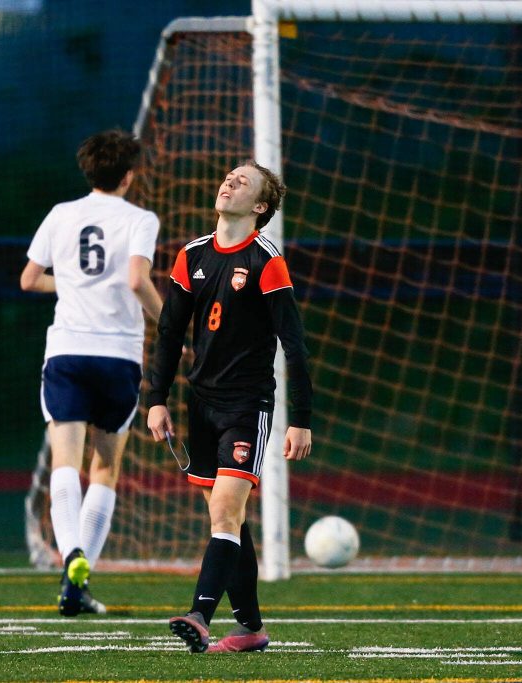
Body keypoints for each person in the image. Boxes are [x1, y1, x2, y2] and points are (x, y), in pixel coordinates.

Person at [146, 161, 312, 653]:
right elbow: (169, 333)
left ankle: (200, 615)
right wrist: (156, 400)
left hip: (247, 406)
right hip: (201, 404)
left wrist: (300, 420)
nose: (228, 182)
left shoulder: (266, 261)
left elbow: (295, 346)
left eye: (243, 182)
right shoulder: (191, 255)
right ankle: (251, 629)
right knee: (231, 522)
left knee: (224, 512)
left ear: (260, 207)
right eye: (228, 177)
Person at [21, 129, 163, 616]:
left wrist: (75, 282)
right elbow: (136, 279)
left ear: (88, 170)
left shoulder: (62, 214)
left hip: (67, 351)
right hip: (118, 355)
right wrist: (171, 324)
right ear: (128, 176)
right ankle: (79, 579)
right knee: (105, 468)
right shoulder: (141, 219)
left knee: (66, 463)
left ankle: (71, 560)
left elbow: (28, 278)